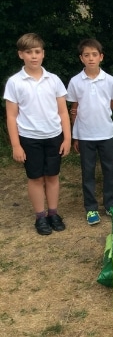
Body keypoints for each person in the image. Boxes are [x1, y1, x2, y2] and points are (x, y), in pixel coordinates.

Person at [4, 33, 71, 235]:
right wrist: (16, 145)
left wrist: (67, 138)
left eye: (37, 51)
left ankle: (53, 213)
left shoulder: (54, 80)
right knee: (35, 178)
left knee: (52, 176)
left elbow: (62, 111)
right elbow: (11, 116)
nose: (33, 56)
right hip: (29, 138)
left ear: (43, 54)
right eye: (29, 52)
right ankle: (40, 217)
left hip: (53, 136)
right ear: (20, 55)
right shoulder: (15, 82)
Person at [67, 38, 113, 225]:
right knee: (87, 172)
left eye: (94, 55)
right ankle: (91, 209)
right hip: (85, 135)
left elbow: (111, 104)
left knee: (109, 170)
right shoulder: (75, 82)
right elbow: (75, 107)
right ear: (81, 58)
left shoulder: (110, 80)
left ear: (101, 57)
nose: (91, 58)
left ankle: (111, 205)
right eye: (86, 55)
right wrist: (75, 135)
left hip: (106, 133)